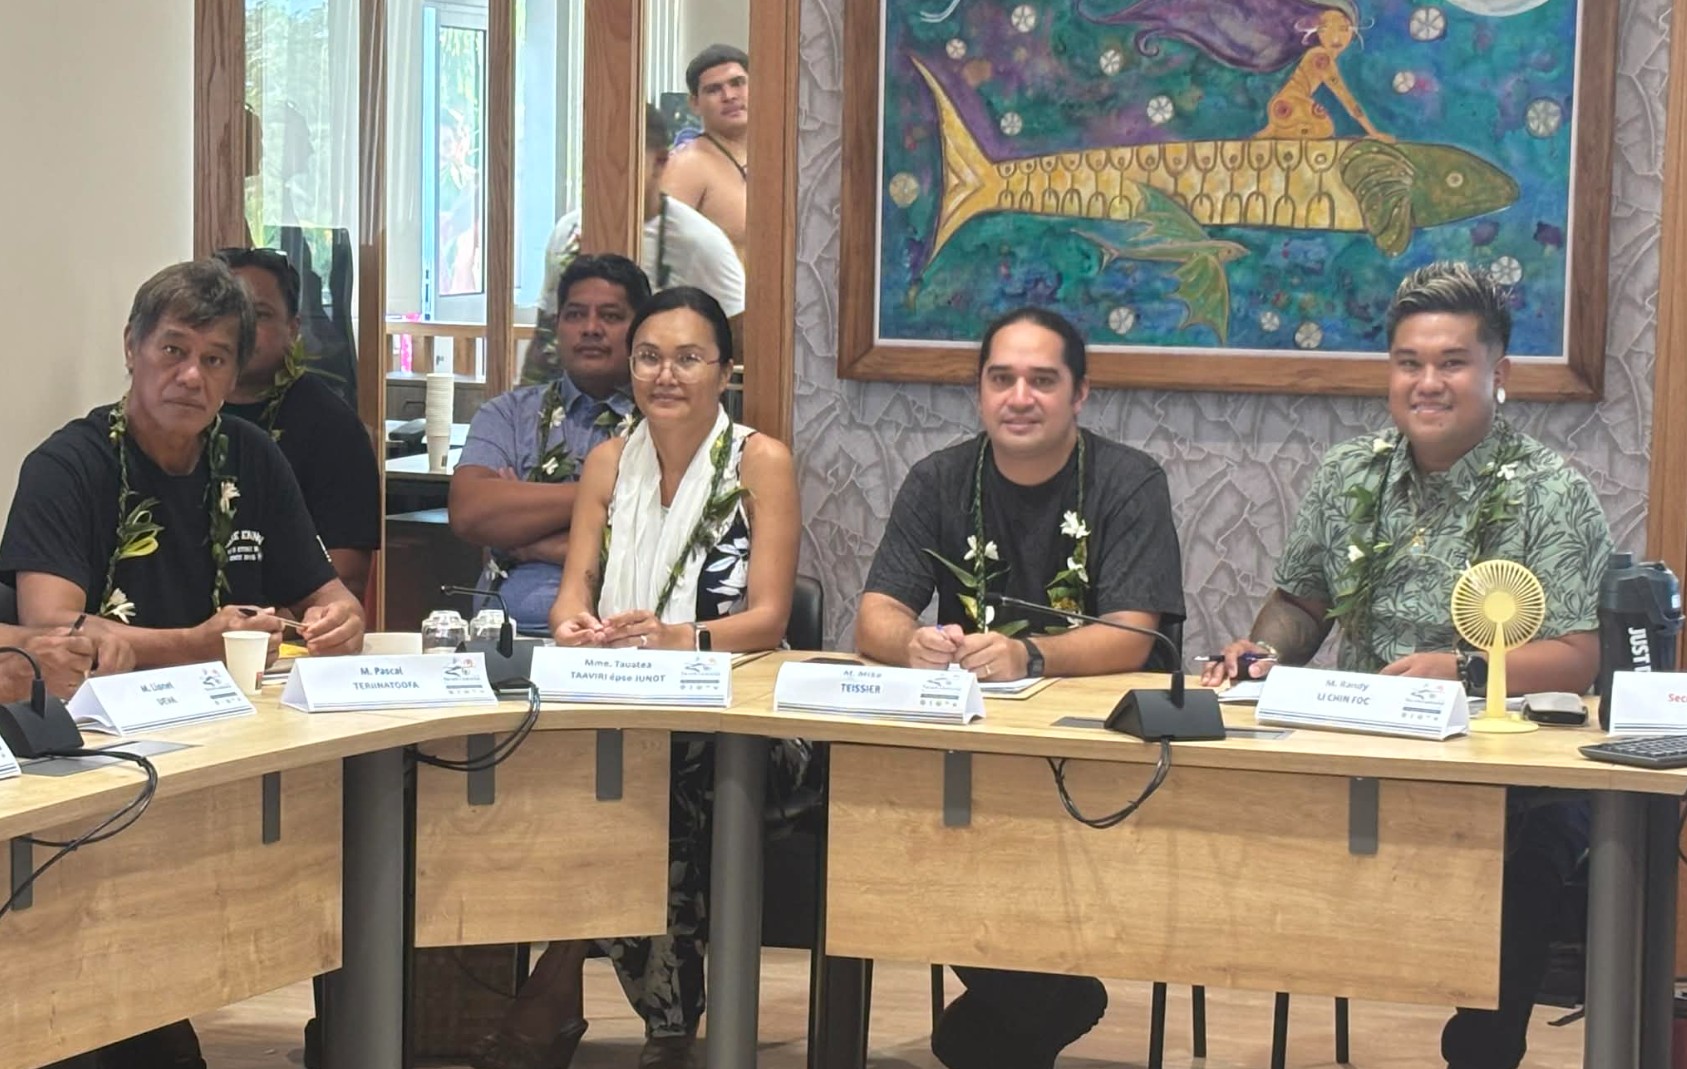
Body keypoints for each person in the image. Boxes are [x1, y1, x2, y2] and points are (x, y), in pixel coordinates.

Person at [1202, 261, 1613, 1069]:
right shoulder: (1346, 474)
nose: (1426, 382)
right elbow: (1300, 602)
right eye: (1408, 363)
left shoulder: (1551, 493)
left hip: (1505, 775)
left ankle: (1484, 1041)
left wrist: (1460, 669)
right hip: (1359, 756)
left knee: (1534, 854)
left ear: (1498, 373)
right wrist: (1264, 650)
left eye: (1451, 362)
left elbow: (1578, 658)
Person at [0, 260, 365, 1067]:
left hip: (214, 738)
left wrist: (342, 617)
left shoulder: (251, 456)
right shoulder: (69, 464)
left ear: (235, 372)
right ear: (131, 348)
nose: (191, 375)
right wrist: (200, 642)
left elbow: (329, 592)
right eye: (172, 350)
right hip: (88, 759)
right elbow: (54, 636)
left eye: (214, 358)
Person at [470, 288, 799, 1069]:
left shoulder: (762, 461)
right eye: (649, 357)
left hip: (741, 717)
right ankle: (639, 1013)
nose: (665, 375)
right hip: (622, 697)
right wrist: (574, 626)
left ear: (725, 371)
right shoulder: (608, 461)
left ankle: (627, 1012)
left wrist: (680, 638)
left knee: (647, 778)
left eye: (688, 358)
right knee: (584, 767)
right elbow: (573, 593)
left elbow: (768, 617)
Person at [854, 306, 1185, 1069]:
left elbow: (1134, 634)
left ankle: (1029, 999)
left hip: (1093, 758)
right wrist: (910, 642)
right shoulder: (939, 479)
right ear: (979, 390)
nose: (1019, 397)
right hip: (967, 754)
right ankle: (1040, 995)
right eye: (1001, 378)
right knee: (878, 826)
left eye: (1042, 379)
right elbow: (875, 614)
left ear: (1079, 393)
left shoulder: (1128, 480)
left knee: (973, 1038)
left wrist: (1029, 657)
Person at [449, 255, 649, 633]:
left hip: (622, 637)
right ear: (557, 326)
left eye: (610, 316)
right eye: (575, 315)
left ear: (640, 329)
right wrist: (611, 495)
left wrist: (530, 539)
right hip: (507, 635)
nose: (590, 329)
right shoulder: (509, 414)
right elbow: (470, 512)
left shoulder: (662, 423)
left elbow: (660, 550)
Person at [523, 105, 744, 386]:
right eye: (594, 158)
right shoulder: (567, 232)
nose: (606, 170)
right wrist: (525, 403)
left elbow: (739, 344)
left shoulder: (699, 243)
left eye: (621, 159)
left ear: (660, 162)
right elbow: (545, 338)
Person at [214, 246, 380, 598]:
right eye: (227, 311)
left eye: (259, 314)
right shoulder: (182, 414)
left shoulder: (332, 426)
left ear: (293, 328)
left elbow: (346, 576)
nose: (241, 327)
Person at [661, 44, 750, 258]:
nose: (729, 96)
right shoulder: (688, 165)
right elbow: (659, 253)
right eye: (713, 89)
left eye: (737, 83)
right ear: (695, 104)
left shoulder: (779, 157)